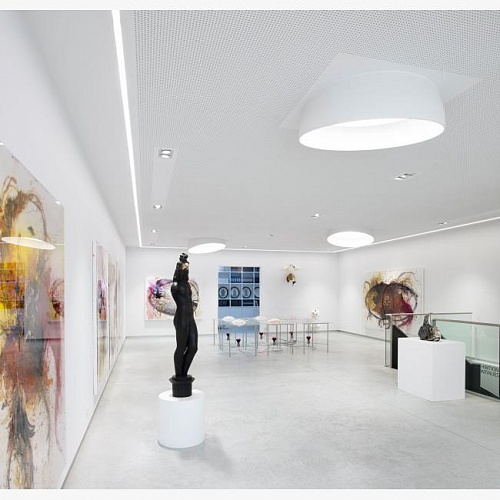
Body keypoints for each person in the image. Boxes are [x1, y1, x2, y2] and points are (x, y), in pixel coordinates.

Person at [171, 253, 198, 379]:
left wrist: (185, 263)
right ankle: (179, 374)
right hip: (181, 318)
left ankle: (184, 372)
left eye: (187, 269)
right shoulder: (175, 286)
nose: (186, 271)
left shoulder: (187, 285)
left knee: (193, 347)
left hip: (190, 318)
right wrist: (182, 263)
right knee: (181, 347)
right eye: (184, 269)